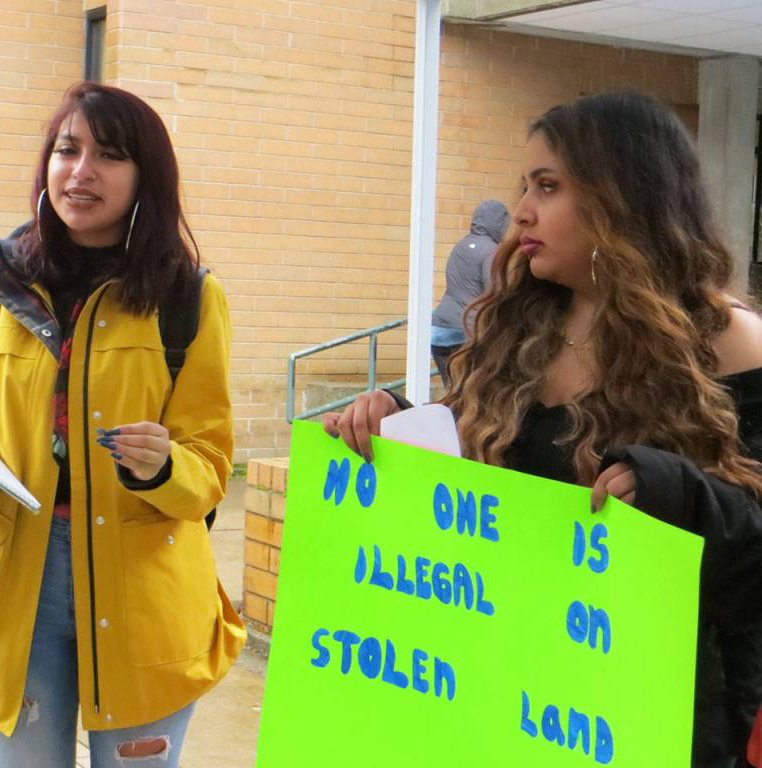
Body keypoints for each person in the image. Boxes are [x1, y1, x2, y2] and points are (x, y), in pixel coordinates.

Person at [323, 91, 762, 768]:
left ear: (625, 196)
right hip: (504, 709)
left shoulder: (729, 340)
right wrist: (394, 425)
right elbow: (470, 497)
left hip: (651, 724)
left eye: (549, 186)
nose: (522, 210)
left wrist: (679, 492)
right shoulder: (515, 331)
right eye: (525, 186)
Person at [0, 82, 245, 768]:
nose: (80, 170)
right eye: (68, 149)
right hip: (16, 591)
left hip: (144, 603)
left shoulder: (187, 297)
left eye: (109, 155)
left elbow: (208, 468)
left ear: (145, 178)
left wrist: (162, 465)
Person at [431, 199, 510, 388]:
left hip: (439, 330)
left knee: (451, 390)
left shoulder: (460, 246)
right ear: (498, 223)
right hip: (466, 333)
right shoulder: (492, 251)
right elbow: (494, 292)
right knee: (471, 393)